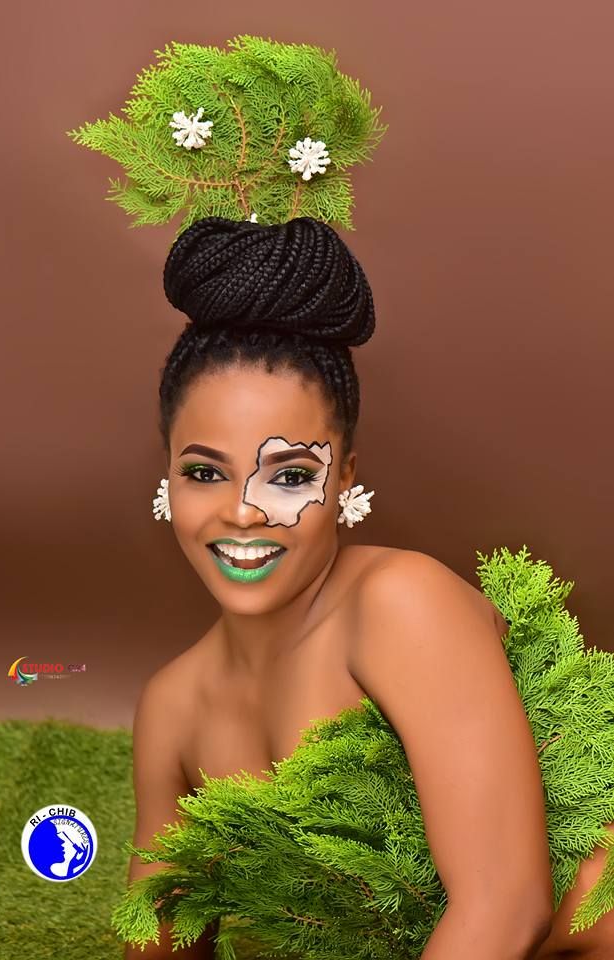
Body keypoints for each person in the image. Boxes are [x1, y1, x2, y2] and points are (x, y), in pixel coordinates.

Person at [65, 37, 614, 960]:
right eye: (204, 471)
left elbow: (506, 906)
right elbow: (160, 936)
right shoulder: (171, 707)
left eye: (287, 475)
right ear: (164, 480)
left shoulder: (401, 607)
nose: (242, 511)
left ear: (344, 483)